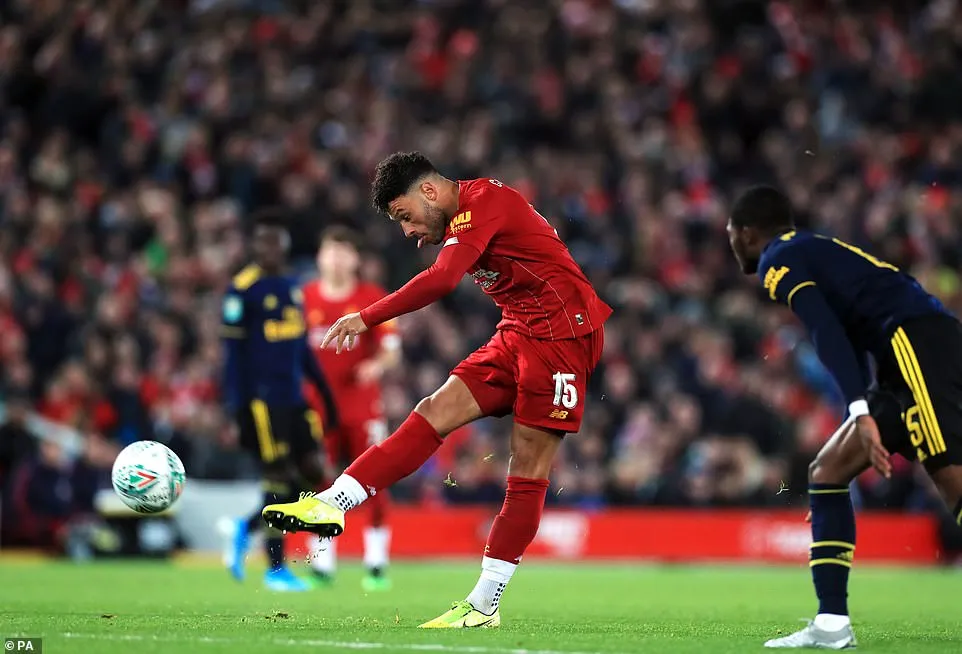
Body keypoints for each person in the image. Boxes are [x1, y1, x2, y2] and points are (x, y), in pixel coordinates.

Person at [263, 151, 612, 627]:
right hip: (517, 330)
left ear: (429, 191)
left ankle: (485, 603)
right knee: (433, 409)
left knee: (527, 466)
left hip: (563, 337)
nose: (407, 231)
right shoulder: (462, 218)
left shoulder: (483, 202)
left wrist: (367, 317)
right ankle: (333, 502)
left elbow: (443, 279)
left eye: (404, 216)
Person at [727, 186, 962, 649]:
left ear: (748, 233)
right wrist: (863, 405)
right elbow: (846, 333)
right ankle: (832, 623)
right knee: (827, 471)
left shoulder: (778, 259)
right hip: (900, 361)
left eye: (731, 233)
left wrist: (857, 408)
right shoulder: (809, 249)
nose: (731, 242)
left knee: (954, 484)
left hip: (919, 348)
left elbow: (824, 330)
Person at [220, 210, 338, 592]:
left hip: (294, 398)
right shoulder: (242, 290)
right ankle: (275, 568)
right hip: (262, 402)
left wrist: (325, 395)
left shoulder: (291, 288)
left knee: (313, 471)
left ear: (285, 245)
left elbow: (302, 350)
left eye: (276, 240)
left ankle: (245, 526)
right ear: (254, 246)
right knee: (278, 477)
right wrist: (236, 408)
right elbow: (233, 356)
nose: (271, 248)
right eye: (264, 241)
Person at [302, 226, 401, 591]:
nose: (337, 260)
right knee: (318, 480)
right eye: (331, 251)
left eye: (344, 252)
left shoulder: (372, 298)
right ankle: (321, 564)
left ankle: (376, 564)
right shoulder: (303, 299)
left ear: (356, 259)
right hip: (317, 407)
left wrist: (377, 364)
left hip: (362, 406)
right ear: (320, 257)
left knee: (373, 479)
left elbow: (392, 349)